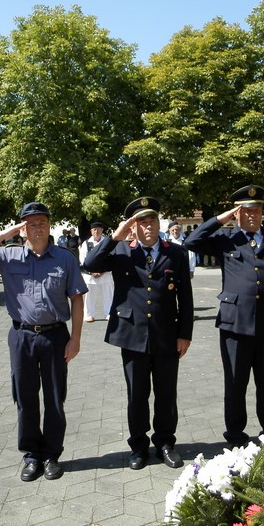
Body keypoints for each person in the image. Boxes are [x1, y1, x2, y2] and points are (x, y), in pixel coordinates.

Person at [0, 202, 87, 482]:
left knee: (55, 398)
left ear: (49, 225)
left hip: (55, 336)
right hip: (22, 336)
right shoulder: (8, 256)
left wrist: (76, 339)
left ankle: (52, 455)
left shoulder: (65, 258)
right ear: (22, 229)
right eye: (31, 224)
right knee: (25, 397)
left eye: (42, 222)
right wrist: (3, 235)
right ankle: (31, 456)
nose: (37, 228)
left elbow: (77, 299)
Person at [84, 197, 193, 470]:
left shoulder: (175, 253)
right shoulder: (121, 250)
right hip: (132, 335)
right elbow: (90, 263)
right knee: (137, 394)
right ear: (133, 226)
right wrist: (115, 236)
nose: (148, 226)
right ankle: (138, 446)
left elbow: (186, 298)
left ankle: (165, 443)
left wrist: (185, 334)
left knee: (166, 394)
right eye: (141, 222)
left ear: (159, 222)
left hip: (166, 334)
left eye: (152, 220)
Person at [184, 185, 264, 445]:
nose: (252, 215)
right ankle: (235, 434)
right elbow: (191, 242)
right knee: (235, 383)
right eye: (246, 211)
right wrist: (220, 219)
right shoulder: (225, 240)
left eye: (256, 210)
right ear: (237, 214)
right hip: (234, 324)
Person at [78, 222, 114, 322]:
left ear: (102, 230)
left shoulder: (107, 242)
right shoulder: (86, 243)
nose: (96, 231)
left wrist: (102, 271)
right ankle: (89, 315)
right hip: (90, 275)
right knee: (89, 296)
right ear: (91, 231)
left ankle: (109, 313)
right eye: (94, 229)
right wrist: (92, 272)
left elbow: (111, 256)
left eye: (98, 229)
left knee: (108, 294)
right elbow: (83, 259)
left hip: (105, 273)